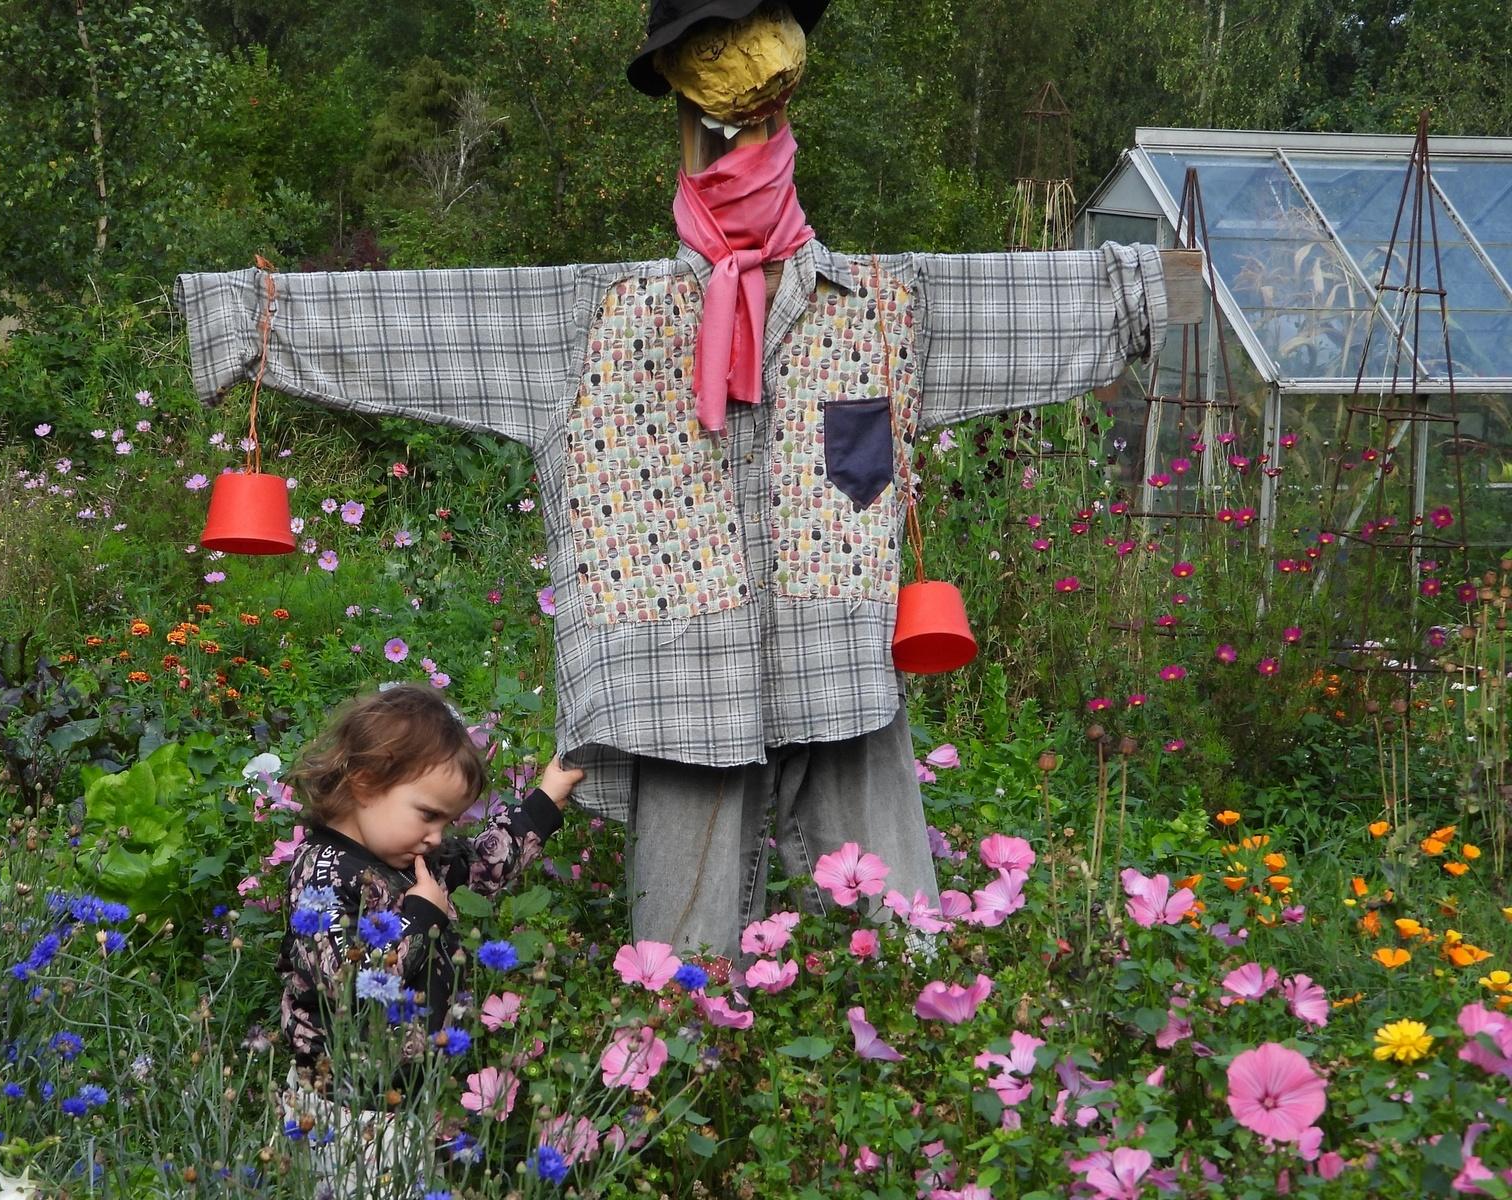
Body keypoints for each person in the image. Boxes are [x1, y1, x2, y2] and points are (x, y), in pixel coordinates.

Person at [178, 0, 1199, 964]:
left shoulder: (887, 307)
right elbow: (431, 323)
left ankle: (914, 1119)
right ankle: (676, 1117)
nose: (734, 125)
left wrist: (1166, 290)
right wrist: (252, 320)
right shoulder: (596, 321)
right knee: (673, 980)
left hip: (840, 667)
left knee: (908, 951)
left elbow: (1051, 305)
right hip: (679, 695)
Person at [274, 683, 584, 1195]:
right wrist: (419, 916)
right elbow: (345, 983)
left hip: (405, 1099)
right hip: (342, 1109)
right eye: (428, 815)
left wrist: (545, 800)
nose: (438, 836)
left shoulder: (411, 858)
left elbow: (484, 863)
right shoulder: (325, 874)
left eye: (449, 820)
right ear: (365, 782)